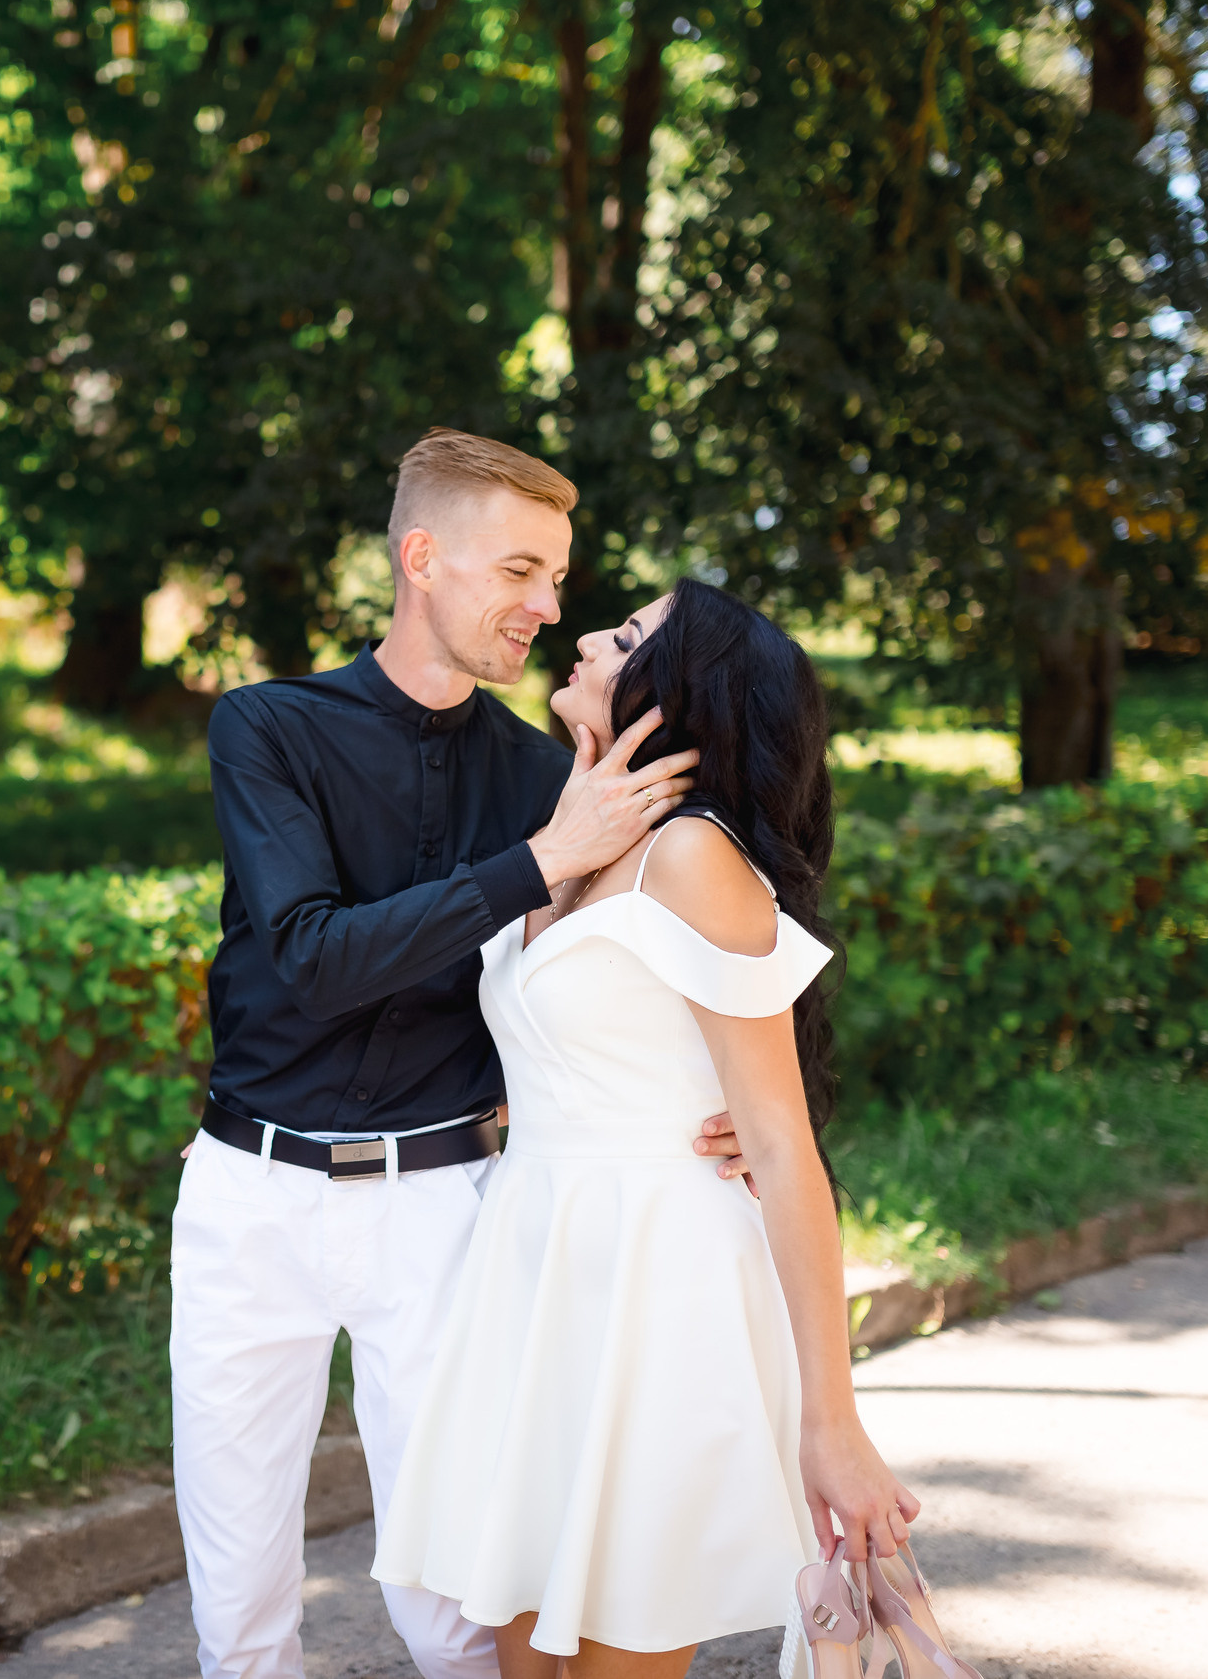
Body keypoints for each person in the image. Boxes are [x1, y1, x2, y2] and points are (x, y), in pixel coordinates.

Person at [175, 429, 744, 1679]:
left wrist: (744, 1100)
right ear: (422, 557)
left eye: (557, 579)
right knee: (239, 1599)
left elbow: (693, 923)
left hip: (445, 1204)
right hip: (245, 1196)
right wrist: (536, 860)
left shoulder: (555, 774)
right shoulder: (267, 729)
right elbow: (314, 956)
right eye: (521, 571)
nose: (547, 607)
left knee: (462, 1601)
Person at [372, 581, 970, 1679]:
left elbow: (780, 1143)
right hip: (533, 1267)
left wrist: (829, 1420)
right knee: (521, 1649)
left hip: (658, 1285)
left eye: (629, 634)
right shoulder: (569, 830)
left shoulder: (692, 859)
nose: (589, 633)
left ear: (675, 696)